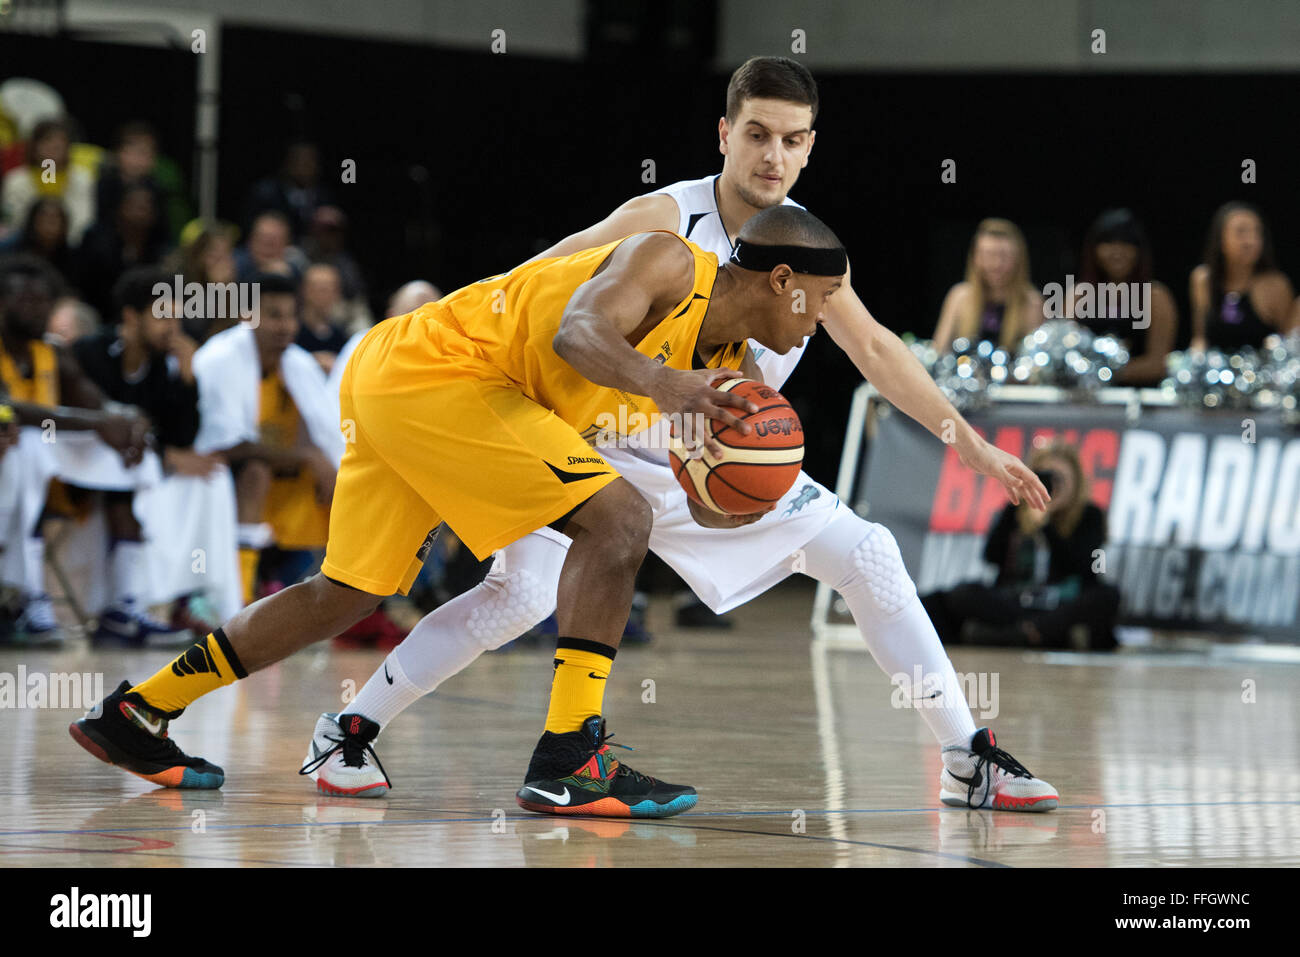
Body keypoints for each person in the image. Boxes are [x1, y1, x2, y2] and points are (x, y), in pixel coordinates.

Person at [301, 56, 1059, 814]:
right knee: (517, 595)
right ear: (725, 135)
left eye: (792, 140)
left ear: (810, 147)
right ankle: (352, 730)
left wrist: (970, 442)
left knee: (868, 553)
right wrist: (452, 408)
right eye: (757, 134)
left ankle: (967, 758)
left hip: (709, 459)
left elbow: (877, 349)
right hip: (595, 440)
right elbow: (532, 285)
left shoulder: (808, 251)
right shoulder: (661, 220)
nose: (773, 155)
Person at [71, 204, 831, 819]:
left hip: (395, 378)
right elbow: (580, 331)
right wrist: (664, 385)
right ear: (782, 280)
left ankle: (138, 712)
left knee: (345, 591)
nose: (821, 320)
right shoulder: (667, 259)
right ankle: (570, 755)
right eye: (822, 301)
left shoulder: (736, 373)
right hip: (443, 370)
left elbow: (708, 480)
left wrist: (726, 504)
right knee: (618, 519)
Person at [0, 255, 149, 645]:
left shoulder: (53, 352)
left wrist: (130, 419)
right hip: (13, 465)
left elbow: (97, 404)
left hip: (46, 473)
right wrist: (98, 422)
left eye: (43, 300)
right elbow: (11, 410)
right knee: (26, 443)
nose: (37, 308)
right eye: (24, 300)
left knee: (136, 452)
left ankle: (124, 607)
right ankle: (27, 597)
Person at [72, 267, 221, 645]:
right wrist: (166, 454)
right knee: (141, 473)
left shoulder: (160, 367)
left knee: (207, 478)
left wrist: (188, 375)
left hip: (126, 470)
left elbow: (182, 436)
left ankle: (181, 596)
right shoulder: (89, 352)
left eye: (176, 317)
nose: (171, 327)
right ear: (130, 316)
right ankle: (127, 608)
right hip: (74, 461)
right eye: (162, 316)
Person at [189, 273, 340, 606]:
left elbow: (326, 437)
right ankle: (235, 600)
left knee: (347, 483)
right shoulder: (220, 358)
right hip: (214, 470)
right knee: (256, 471)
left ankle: (311, 594)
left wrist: (322, 463)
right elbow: (227, 445)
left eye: (290, 315)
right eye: (273, 315)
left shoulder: (298, 364)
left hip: (280, 472)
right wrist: (307, 459)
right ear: (248, 315)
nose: (285, 326)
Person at [922, 442, 1119, 650]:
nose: (1052, 485)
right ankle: (1029, 634)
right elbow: (991, 556)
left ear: (1075, 483)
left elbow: (1084, 567)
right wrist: (1026, 517)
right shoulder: (1014, 510)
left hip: (1060, 607)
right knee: (960, 594)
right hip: (1015, 603)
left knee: (1107, 595)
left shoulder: (1090, 515)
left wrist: (1047, 526)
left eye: (1060, 479)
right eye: (1046, 478)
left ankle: (1024, 634)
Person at [1070, 208, 1176, 386]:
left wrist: (1103, 372)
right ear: (1093, 249)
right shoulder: (1078, 294)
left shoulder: (1156, 296)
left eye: (1126, 243)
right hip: (1088, 402)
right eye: (1108, 243)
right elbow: (1068, 352)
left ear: (1139, 251)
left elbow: (1158, 363)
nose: (1117, 252)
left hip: (1139, 401)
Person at [1189, 202, 1295, 353]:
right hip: (1214, 372)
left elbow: (1289, 344)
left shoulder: (1276, 285)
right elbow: (1200, 337)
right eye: (1241, 232)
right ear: (1220, 240)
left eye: (1257, 232)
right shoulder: (1202, 279)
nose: (1251, 241)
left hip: (1263, 373)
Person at [933, 218, 1043, 353]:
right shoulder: (959, 296)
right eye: (988, 255)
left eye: (1003, 256)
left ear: (1018, 260)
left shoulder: (1032, 302)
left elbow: (1034, 361)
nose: (996, 264)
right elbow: (939, 352)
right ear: (975, 257)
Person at [1, 118, 97, 245]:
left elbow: (84, 221)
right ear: (34, 146)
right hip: (25, 244)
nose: (55, 146)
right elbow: (12, 222)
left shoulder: (83, 178)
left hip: (71, 246)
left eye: (61, 141)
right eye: (47, 140)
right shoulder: (15, 180)